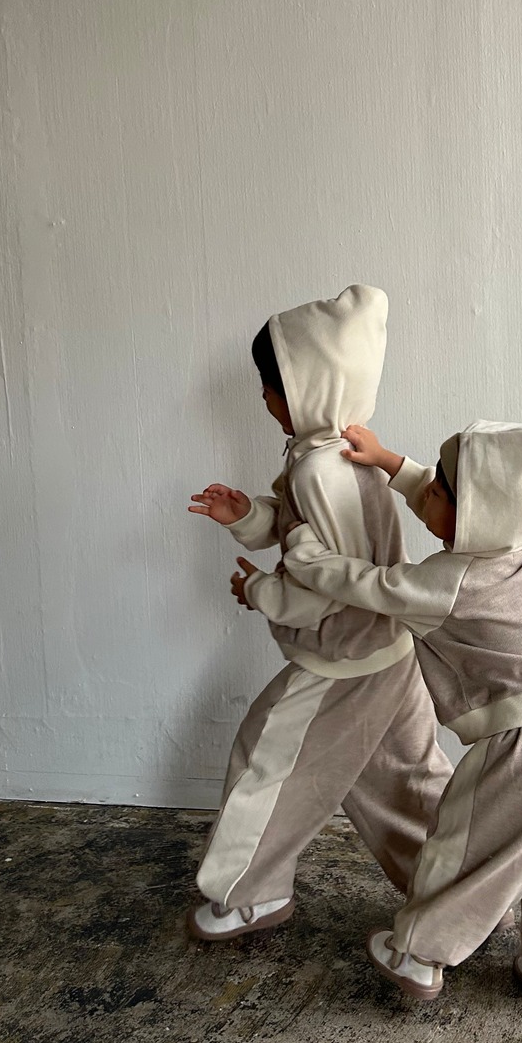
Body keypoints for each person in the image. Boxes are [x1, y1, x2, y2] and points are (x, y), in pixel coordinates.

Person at [282, 419, 522, 1007]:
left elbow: (365, 584)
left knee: (467, 844)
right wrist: (391, 463)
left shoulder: (448, 583)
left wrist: (303, 552)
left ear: (473, 516)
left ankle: (416, 952)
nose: (427, 496)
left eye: (438, 490)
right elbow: (461, 509)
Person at [186, 286, 452, 942]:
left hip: (342, 662)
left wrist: (260, 592)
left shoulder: (317, 470)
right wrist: (247, 515)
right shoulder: (337, 452)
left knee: (266, 759)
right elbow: (309, 535)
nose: (264, 400)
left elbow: (330, 583)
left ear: (309, 386)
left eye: (272, 387)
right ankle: (464, 891)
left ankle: (250, 892)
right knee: (406, 784)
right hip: (391, 652)